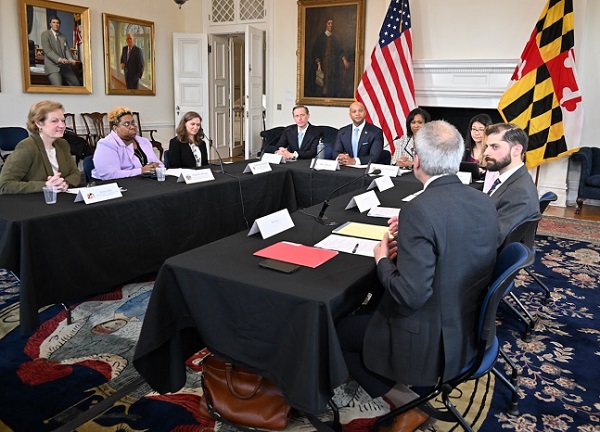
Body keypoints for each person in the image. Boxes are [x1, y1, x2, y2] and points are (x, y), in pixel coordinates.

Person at [337, 120, 498, 432]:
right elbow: (454, 244)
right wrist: (412, 237)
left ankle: (407, 404)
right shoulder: (483, 200)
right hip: (467, 327)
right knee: (371, 308)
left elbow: (411, 295)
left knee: (337, 330)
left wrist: (383, 259)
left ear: (418, 162)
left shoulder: (420, 210)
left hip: (428, 341)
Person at [0, 100, 81, 194]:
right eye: (54, 121)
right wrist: (46, 186)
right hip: (34, 204)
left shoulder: (63, 144)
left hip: (62, 199)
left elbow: (75, 173)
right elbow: (5, 185)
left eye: (63, 121)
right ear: (39, 123)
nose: (62, 125)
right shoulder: (27, 147)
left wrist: (65, 183)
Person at [483, 123, 540, 247]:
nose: (486, 152)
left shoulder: (519, 192)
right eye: (487, 146)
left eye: (495, 147)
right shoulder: (514, 178)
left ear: (516, 150)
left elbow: (494, 240)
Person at [92, 106, 163, 180]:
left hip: (144, 182)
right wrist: (141, 171)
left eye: (133, 123)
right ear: (116, 128)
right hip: (117, 185)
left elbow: (159, 164)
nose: (132, 127)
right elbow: (109, 174)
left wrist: (156, 167)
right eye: (127, 124)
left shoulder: (143, 141)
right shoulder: (106, 144)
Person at [309, 19, 351, 98]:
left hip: (332, 64)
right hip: (322, 64)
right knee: (321, 81)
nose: (331, 25)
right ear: (325, 25)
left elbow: (339, 50)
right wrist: (318, 64)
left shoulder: (334, 38)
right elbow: (315, 51)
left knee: (332, 81)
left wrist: (344, 60)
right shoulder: (320, 38)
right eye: (329, 23)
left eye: (332, 23)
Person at [333, 101, 384, 165]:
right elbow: (336, 152)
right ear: (350, 115)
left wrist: (354, 161)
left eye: (360, 111)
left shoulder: (376, 132)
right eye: (354, 111)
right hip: (345, 168)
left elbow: (374, 157)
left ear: (365, 113)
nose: (357, 114)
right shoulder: (342, 131)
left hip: (364, 170)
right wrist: (341, 158)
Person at [40, 17, 81, 86]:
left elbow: (67, 50)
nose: (56, 24)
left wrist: (70, 59)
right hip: (52, 66)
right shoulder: (45, 35)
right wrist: (60, 59)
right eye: (54, 22)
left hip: (64, 66)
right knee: (58, 86)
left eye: (58, 23)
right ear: (50, 24)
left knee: (77, 85)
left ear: (60, 25)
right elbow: (48, 51)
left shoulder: (63, 36)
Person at [462, 113, 493, 179]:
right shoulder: (465, 151)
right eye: (474, 129)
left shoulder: (492, 152)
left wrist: (483, 172)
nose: (476, 133)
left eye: (481, 129)